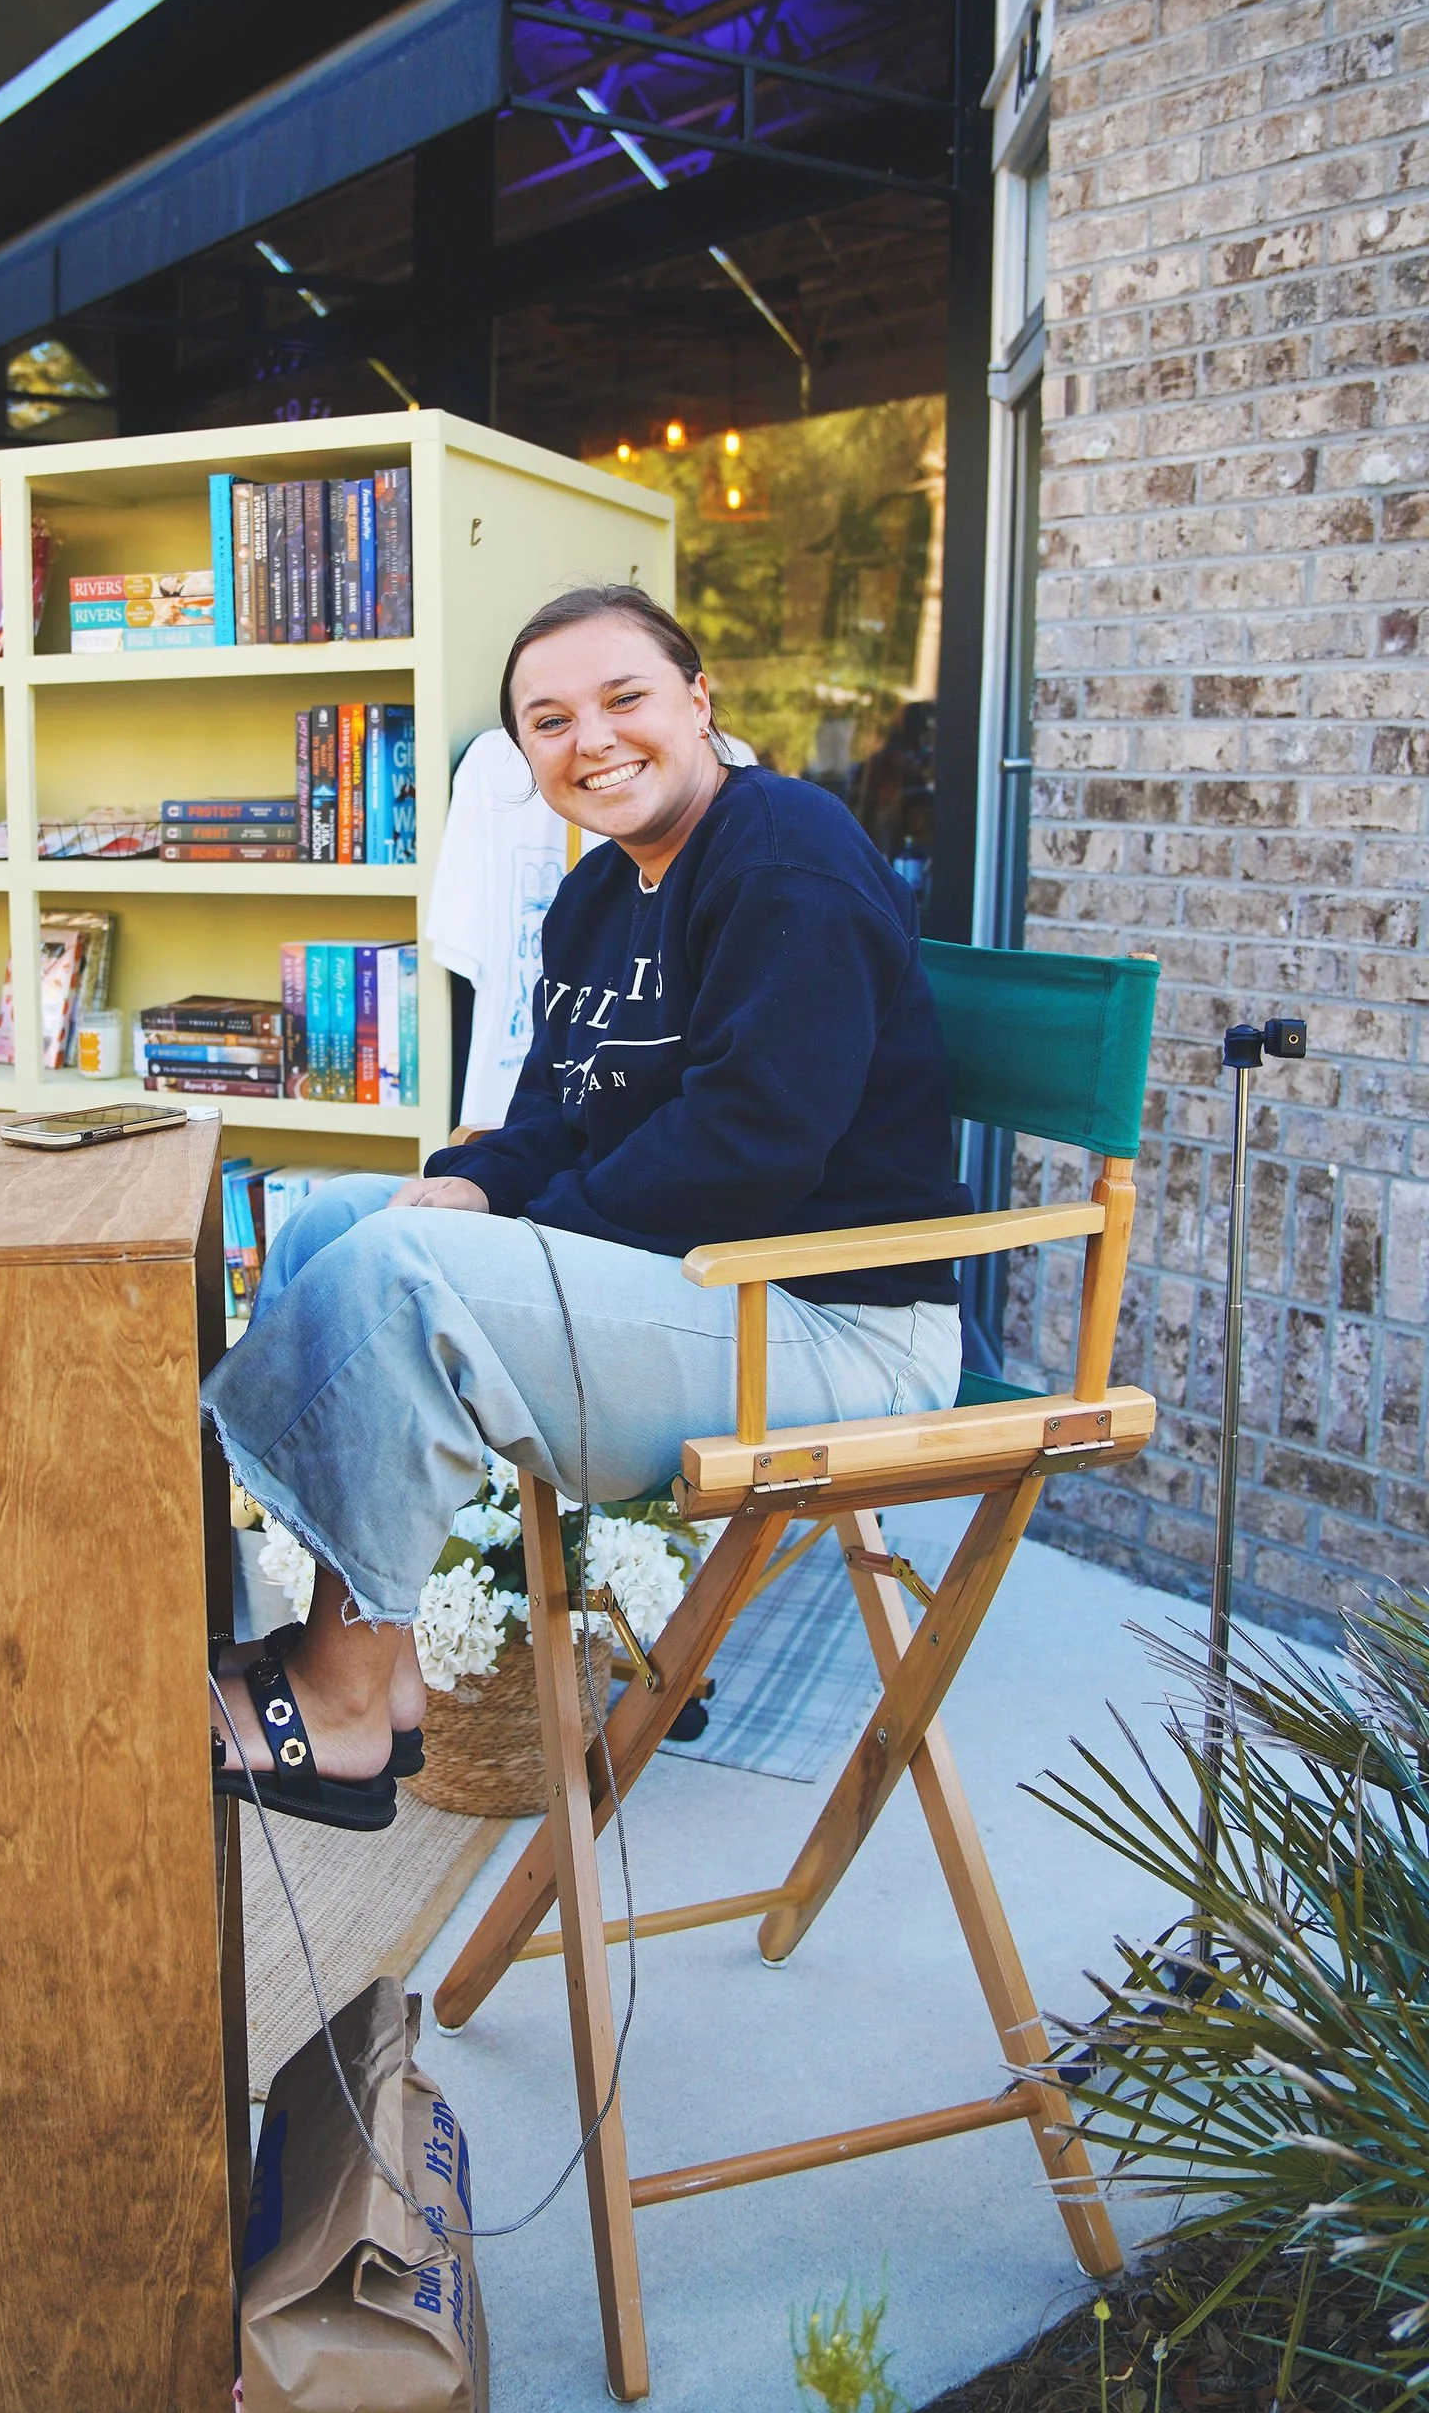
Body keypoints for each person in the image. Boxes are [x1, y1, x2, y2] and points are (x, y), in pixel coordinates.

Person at [202, 584, 967, 1829]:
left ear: (698, 702)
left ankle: (336, 1706)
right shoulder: (596, 897)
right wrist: (475, 1181)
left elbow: (745, 1148)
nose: (591, 741)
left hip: (829, 1323)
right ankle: (375, 1654)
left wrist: (501, 1229)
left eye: (624, 699)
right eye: (546, 721)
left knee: (405, 1277)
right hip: (701, 1289)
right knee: (333, 1223)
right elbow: (559, 1111)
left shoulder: (790, 856)